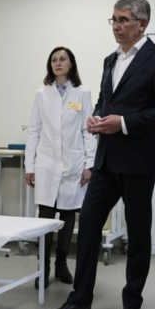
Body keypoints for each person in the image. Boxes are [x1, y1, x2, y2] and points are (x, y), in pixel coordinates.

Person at [43, 0, 155, 309]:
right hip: (106, 159)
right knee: (88, 225)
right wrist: (95, 117)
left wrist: (125, 123)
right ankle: (80, 300)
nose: (116, 26)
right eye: (114, 20)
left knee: (138, 233)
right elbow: (106, 101)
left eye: (123, 20)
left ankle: (132, 304)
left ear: (142, 24)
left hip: (139, 159)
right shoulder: (110, 60)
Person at [25, 47, 96, 289]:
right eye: (54, 60)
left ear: (70, 64)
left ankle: (61, 263)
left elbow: (88, 130)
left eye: (62, 59)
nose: (58, 63)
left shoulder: (82, 93)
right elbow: (34, 130)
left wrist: (89, 164)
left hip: (73, 164)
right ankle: (43, 267)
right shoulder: (42, 94)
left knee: (67, 215)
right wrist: (30, 165)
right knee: (45, 216)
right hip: (46, 164)